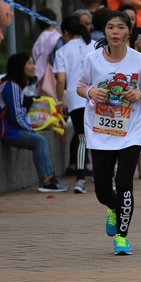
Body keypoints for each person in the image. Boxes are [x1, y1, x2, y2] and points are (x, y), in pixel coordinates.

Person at [76, 11, 141, 255]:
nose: (115, 31)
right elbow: (80, 87)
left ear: (128, 32)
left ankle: (122, 238)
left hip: (130, 132)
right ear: (104, 31)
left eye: (121, 27)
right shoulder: (92, 60)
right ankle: (113, 208)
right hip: (99, 131)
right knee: (102, 190)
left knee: (125, 185)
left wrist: (140, 94)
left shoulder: (140, 61)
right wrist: (91, 92)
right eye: (111, 27)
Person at [0, 52, 69, 192]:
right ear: (19, 66)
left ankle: (49, 179)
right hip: (2, 129)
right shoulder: (11, 86)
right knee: (39, 141)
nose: (33, 67)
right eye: (29, 63)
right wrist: (31, 131)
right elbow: (17, 117)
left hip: (7, 128)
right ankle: (46, 181)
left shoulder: (14, 85)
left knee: (40, 139)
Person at [53, 16, 95, 194]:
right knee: (101, 137)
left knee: (82, 138)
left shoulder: (62, 51)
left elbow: (60, 80)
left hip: (75, 98)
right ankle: (107, 177)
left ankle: (80, 180)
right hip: (96, 97)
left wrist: (60, 101)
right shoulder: (95, 46)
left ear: (66, 33)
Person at [118, 4, 141, 179]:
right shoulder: (112, 41)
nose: (130, 21)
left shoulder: (138, 39)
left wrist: (139, 48)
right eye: (127, 17)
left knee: (138, 131)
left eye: (133, 19)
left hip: (135, 95)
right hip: (117, 96)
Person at [32, 8, 61, 98]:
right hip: (55, 82)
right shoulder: (57, 39)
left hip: (39, 82)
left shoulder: (38, 42)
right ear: (53, 23)